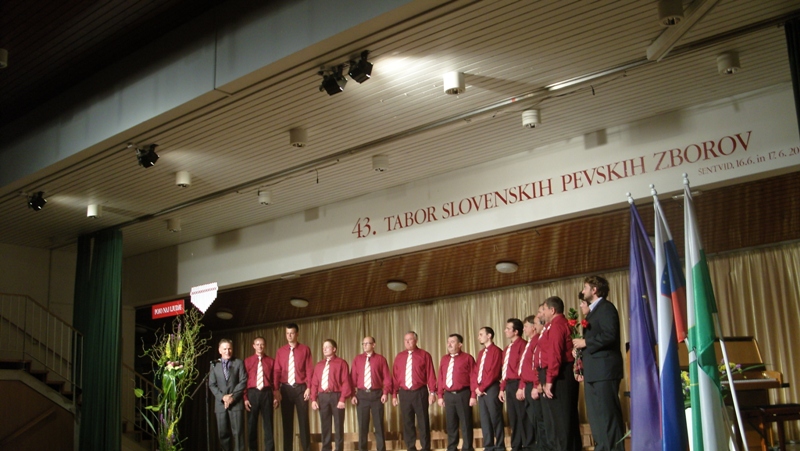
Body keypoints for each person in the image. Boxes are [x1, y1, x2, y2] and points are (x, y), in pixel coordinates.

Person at [572, 276, 625, 451]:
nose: (583, 291)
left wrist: (586, 342)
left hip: (605, 370)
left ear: (594, 290)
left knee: (608, 415)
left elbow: (610, 335)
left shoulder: (606, 308)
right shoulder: (592, 312)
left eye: (585, 287)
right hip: (593, 371)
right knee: (596, 417)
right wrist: (579, 353)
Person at [534, 296, 581, 451]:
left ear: (552, 310)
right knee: (560, 419)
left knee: (561, 419)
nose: (542, 313)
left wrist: (549, 380)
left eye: (544, 309)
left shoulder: (557, 325)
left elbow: (555, 354)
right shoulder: (553, 325)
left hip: (560, 375)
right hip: (558, 373)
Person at [392, 331, 437, 451]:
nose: (407, 342)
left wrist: (432, 392)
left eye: (410, 339)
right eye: (405, 340)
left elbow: (431, 374)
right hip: (404, 393)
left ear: (416, 340)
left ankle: (425, 447)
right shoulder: (399, 357)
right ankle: (411, 447)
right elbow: (395, 377)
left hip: (420, 392)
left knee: (423, 421)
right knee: (407, 422)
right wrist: (394, 394)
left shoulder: (424, 355)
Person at [274, 323, 314, 451]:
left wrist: (309, 387)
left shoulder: (305, 349)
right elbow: (277, 371)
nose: (289, 336)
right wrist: (276, 389)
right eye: (287, 333)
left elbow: (309, 369)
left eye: (292, 333)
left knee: (304, 422)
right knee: (287, 423)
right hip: (285, 389)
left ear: (297, 334)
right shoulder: (280, 351)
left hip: (301, 389)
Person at [351, 336, 392, 451]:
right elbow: (352, 378)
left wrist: (385, 393)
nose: (364, 345)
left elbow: (387, 378)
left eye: (367, 343)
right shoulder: (357, 359)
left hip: (376, 395)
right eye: (363, 343)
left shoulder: (380, 359)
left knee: (378, 425)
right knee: (362, 426)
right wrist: (353, 394)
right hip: (362, 395)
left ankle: (381, 449)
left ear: (374, 345)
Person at [310, 339, 353, 451]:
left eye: (327, 346)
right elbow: (314, 383)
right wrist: (313, 399)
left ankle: (339, 449)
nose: (324, 349)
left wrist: (342, 399)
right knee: (325, 425)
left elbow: (346, 382)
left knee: (338, 425)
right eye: (323, 347)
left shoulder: (341, 363)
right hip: (323, 397)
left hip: (336, 396)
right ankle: (326, 448)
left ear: (334, 349)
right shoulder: (319, 365)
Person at [436, 334, 476, 451]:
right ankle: (452, 447)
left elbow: (473, 377)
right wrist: (440, 395)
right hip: (448, 395)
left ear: (460, 344)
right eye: (448, 342)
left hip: (463, 394)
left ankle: (467, 448)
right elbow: (441, 377)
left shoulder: (468, 358)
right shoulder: (444, 359)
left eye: (452, 342)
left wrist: (473, 395)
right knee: (451, 424)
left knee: (466, 423)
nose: (449, 344)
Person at [209, 338, 248, 451]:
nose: (227, 351)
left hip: (236, 403)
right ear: (219, 350)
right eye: (225, 349)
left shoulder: (239, 362)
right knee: (223, 434)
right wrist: (223, 397)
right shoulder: (214, 365)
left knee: (238, 434)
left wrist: (232, 397)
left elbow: (243, 381)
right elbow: (212, 384)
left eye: (230, 348)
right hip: (220, 405)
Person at [244, 337, 280, 451]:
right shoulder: (247, 361)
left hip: (266, 393)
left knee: (268, 425)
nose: (260, 346)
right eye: (257, 344)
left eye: (262, 344)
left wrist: (275, 396)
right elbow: (244, 380)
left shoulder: (271, 361)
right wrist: (245, 398)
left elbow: (274, 380)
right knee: (251, 425)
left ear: (265, 346)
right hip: (252, 393)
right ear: (253, 346)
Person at [473, 327, 504, 451]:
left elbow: (494, 372)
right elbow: (476, 371)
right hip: (481, 389)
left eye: (481, 334)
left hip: (491, 388)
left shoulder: (496, 351)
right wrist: (477, 387)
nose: (479, 337)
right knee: (485, 419)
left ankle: (500, 445)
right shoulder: (481, 353)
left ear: (489, 335)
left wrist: (482, 387)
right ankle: (488, 446)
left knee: (495, 417)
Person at [498, 318, 527, 451]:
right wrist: (502, 388)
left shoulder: (523, 345)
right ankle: (516, 445)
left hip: (518, 383)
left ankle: (527, 445)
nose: (505, 330)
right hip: (509, 384)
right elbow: (505, 370)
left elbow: (524, 368)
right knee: (513, 417)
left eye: (508, 328)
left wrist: (521, 387)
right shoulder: (507, 349)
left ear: (516, 331)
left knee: (522, 416)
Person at [519, 313, 545, 451]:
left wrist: (536, 385)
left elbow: (536, 366)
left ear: (533, 327)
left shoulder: (537, 341)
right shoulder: (529, 343)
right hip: (527, 385)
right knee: (532, 419)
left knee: (539, 418)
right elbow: (525, 367)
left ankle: (543, 447)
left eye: (526, 326)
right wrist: (523, 386)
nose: (524, 329)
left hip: (534, 385)